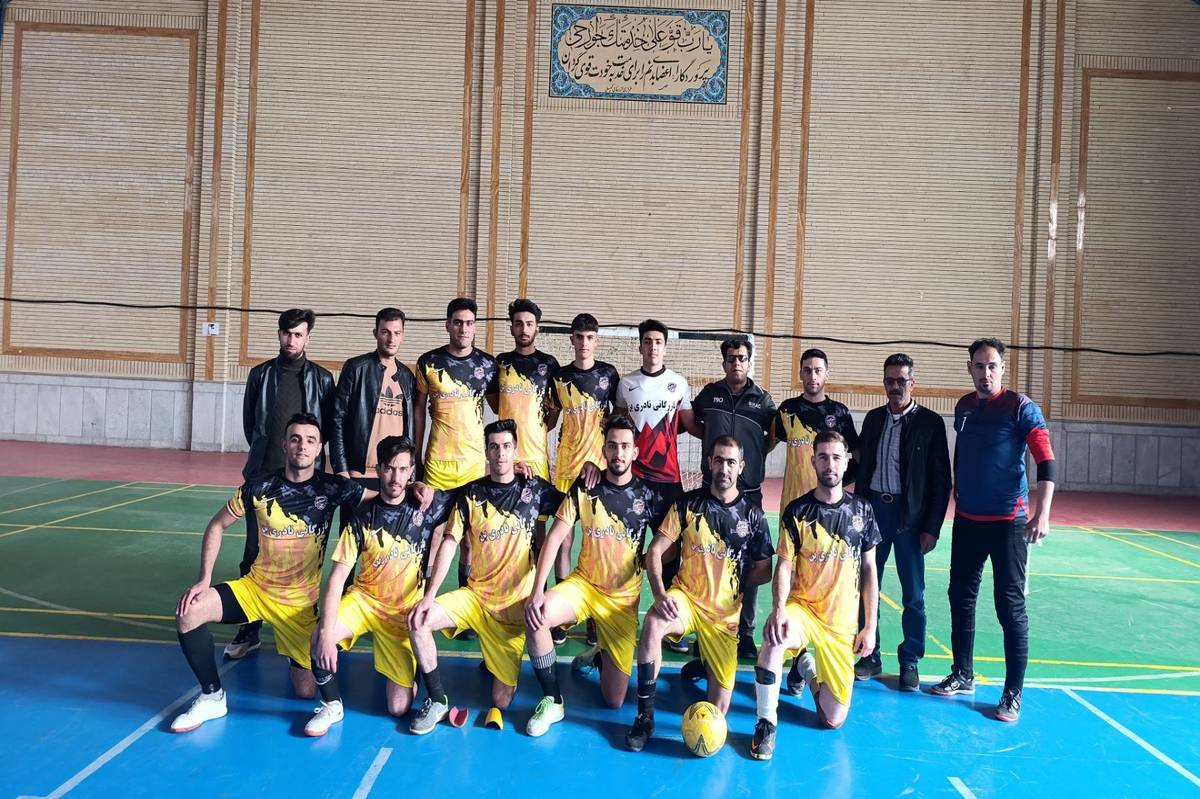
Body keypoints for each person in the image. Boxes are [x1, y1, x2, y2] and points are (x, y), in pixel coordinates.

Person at [170, 413, 367, 732]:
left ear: (319, 449)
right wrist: (204, 578)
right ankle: (212, 696)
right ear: (284, 445)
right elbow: (217, 525)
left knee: (305, 690)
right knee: (189, 612)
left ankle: (303, 667)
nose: (302, 446)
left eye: (310, 440)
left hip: (298, 606)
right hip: (256, 590)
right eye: (295, 439)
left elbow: (386, 499)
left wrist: (415, 488)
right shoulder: (259, 487)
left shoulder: (332, 488)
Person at [406, 420, 562, 733]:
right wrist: (429, 595)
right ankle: (437, 699)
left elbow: (575, 505)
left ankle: (539, 685)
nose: (500, 453)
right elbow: (450, 543)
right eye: (494, 447)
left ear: (515, 450)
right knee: (418, 620)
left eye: (506, 446)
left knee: (500, 701)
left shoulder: (534, 489)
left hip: (514, 608)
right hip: (476, 600)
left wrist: (591, 472)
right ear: (486, 451)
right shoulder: (471, 494)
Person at [931, 338, 1056, 723]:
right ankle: (963, 673)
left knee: (1009, 606)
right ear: (969, 368)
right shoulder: (964, 407)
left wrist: (1042, 513)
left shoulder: (1021, 407)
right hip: (968, 520)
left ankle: (1012, 693)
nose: (985, 373)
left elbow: (1045, 460)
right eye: (979, 366)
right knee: (960, 597)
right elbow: (963, 450)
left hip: (1008, 523)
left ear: (1002, 368)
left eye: (992, 366)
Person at [624, 436, 773, 752]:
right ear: (709, 463)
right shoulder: (687, 505)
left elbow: (765, 569)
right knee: (653, 623)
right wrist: (660, 593)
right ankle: (645, 717)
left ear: (741, 467)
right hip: (687, 600)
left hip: (723, 617)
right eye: (718, 460)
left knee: (719, 710)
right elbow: (655, 552)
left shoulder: (753, 515)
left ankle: (704, 663)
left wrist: (732, 582)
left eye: (730, 462)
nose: (724, 468)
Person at [522, 417, 669, 736]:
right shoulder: (586, 487)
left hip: (621, 601)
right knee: (537, 616)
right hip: (584, 585)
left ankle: (598, 654)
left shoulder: (648, 495)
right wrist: (537, 591)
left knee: (614, 701)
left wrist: (649, 562)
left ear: (635, 452)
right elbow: (555, 537)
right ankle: (553, 700)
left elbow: (667, 545)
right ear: (604, 450)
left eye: (625, 446)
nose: (618, 452)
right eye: (612, 446)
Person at [303, 436, 453, 736]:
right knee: (320, 635)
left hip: (401, 611)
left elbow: (474, 492)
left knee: (398, 707)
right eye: (389, 468)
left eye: (403, 469)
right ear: (379, 468)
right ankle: (332, 704)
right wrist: (326, 630)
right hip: (364, 600)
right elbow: (337, 577)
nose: (396, 477)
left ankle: (411, 671)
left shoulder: (428, 506)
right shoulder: (362, 516)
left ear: (411, 471)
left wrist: (512, 470)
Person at [750, 431, 881, 760]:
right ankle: (766, 724)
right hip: (804, 610)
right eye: (823, 457)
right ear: (813, 461)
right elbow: (783, 565)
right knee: (774, 638)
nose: (830, 464)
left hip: (841, 624)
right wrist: (779, 610)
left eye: (836, 457)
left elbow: (870, 570)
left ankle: (806, 665)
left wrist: (870, 626)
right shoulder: (798, 511)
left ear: (846, 462)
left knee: (832, 720)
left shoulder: (862, 511)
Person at [226, 309, 335, 660]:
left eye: (298, 334)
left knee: (304, 557)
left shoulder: (322, 379)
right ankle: (250, 628)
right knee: (253, 553)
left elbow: (326, 430)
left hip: (306, 484)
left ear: (308, 338)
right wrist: (267, 461)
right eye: (287, 333)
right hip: (264, 479)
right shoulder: (260, 375)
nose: (291, 340)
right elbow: (251, 425)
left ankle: (304, 624)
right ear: (279, 334)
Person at [852, 354, 951, 690]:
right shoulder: (873, 419)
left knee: (914, 594)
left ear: (912, 383)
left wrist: (932, 527)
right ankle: (870, 655)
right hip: (873, 514)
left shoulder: (930, 423)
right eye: (890, 380)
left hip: (910, 518)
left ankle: (910, 660)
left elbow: (941, 481)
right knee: (867, 587)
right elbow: (862, 468)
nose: (895, 386)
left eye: (901, 380)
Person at [615, 318, 701, 653]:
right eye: (647, 341)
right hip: (635, 483)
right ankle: (619, 619)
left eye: (658, 342)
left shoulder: (678, 384)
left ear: (665, 347)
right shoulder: (627, 385)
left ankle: (669, 625)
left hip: (669, 483)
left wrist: (730, 433)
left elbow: (691, 425)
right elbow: (618, 427)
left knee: (671, 553)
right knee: (627, 552)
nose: (653, 347)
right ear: (640, 346)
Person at [691, 335, 777, 658]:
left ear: (749, 362)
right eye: (731, 358)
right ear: (724, 362)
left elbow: (772, 437)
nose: (736, 363)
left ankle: (745, 632)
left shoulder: (764, 402)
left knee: (750, 563)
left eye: (741, 358)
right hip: (711, 492)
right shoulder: (709, 395)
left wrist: (754, 456)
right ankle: (704, 627)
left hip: (749, 495)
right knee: (707, 559)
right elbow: (694, 423)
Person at [413, 297, 499, 597]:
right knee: (433, 535)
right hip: (437, 465)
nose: (464, 329)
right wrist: (416, 456)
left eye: (470, 323)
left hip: (473, 467)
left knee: (469, 539)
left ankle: (467, 598)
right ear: (448, 325)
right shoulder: (428, 362)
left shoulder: (487, 365)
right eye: (458, 323)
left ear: (475, 327)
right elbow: (418, 410)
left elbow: (502, 408)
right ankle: (422, 599)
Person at [548, 312, 620, 648]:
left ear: (597, 340)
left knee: (595, 544)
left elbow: (620, 415)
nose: (584, 343)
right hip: (566, 470)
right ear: (572, 340)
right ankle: (562, 615)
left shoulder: (608, 374)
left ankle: (593, 612)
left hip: (598, 471)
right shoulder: (560, 377)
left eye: (590, 338)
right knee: (563, 542)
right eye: (579, 337)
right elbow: (549, 418)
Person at [329, 307, 417, 486]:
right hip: (359, 473)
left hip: (395, 475)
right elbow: (337, 418)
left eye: (397, 333)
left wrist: (410, 476)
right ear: (375, 333)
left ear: (403, 335)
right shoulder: (356, 368)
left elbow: (411, 428)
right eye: (385, 332)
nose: (391, 339)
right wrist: (341, 468)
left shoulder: (407, 376)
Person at [771, 348, 859, 510]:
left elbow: (858, 455)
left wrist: (838, 480)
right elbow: (768, 444)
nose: (812, 376)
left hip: (828, 503)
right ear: (800, 374)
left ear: (826, 374)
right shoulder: (787, 409)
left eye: (818, 370)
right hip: (793, 503)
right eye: (807, 370)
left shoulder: (839, 412)